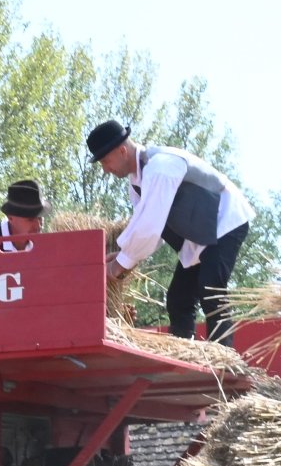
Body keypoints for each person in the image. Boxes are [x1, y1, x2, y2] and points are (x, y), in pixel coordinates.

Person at [86, 119, 254, 347]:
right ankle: (187, 352)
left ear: (122, 150)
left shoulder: (160, 167)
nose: (106, 169)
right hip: (198, 236)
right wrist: (123, 255)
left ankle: (225, 358)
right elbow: (150, 230)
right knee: (178, 298)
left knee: (211, 287)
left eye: (106, 161)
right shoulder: (136, 185)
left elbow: (149, 227)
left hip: (224, 220)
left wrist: (118, 268)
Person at [0, 179, 44, 252]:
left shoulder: (45, 246)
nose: (38, 225)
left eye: (40, 218)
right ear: (10, 217)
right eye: (30, 219)